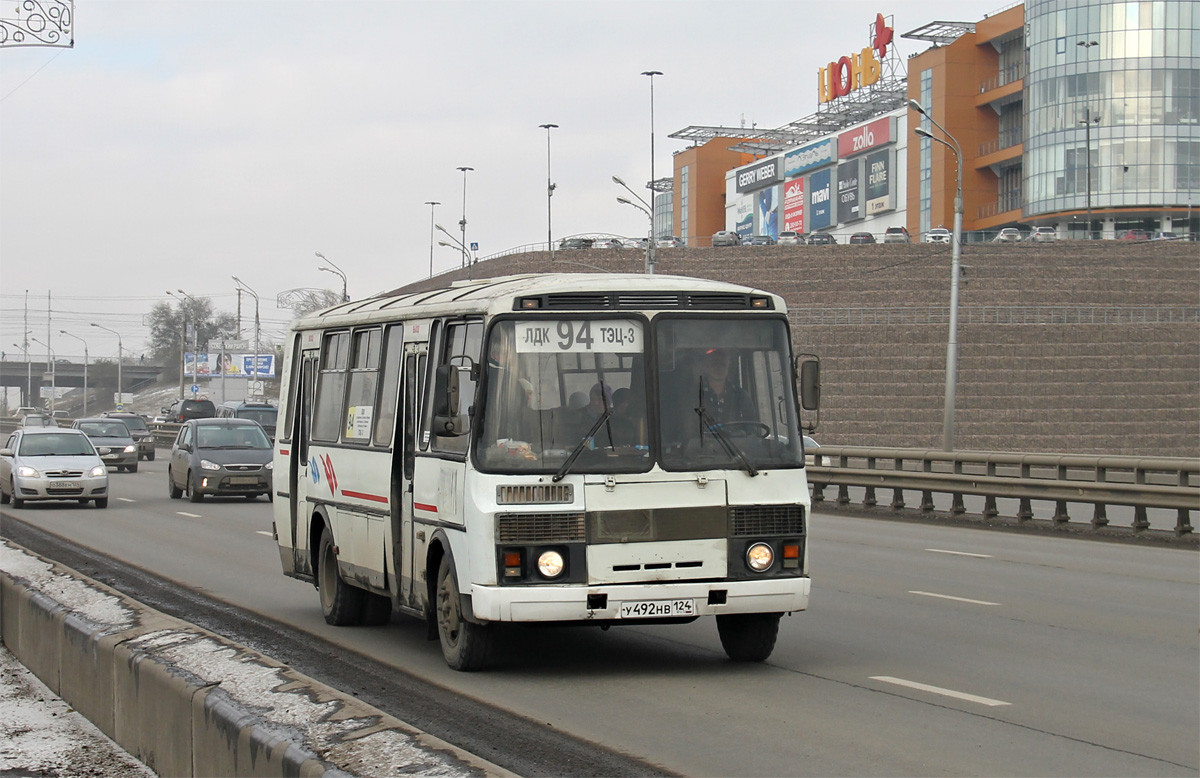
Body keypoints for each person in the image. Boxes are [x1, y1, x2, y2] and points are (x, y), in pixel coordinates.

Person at [694, 348, 754, 424]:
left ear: (728, 366)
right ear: (706, 367)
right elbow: (687, 430)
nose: (719, 368)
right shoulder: (694, 396)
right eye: (714, 364)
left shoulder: (741, 397)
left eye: (722, 364)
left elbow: (751, 430)